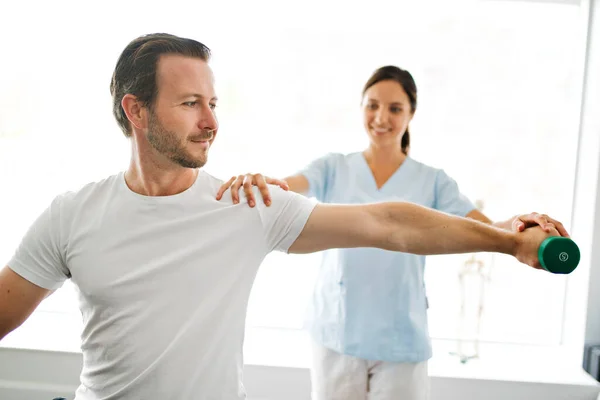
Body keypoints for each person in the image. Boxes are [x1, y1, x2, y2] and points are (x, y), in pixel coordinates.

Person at [0, 34, 564, 400]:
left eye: (213, 103)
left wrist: (504, 240)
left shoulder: (242, 209)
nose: (210, 121)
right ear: (136, 110)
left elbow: (390, 223)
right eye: (190, 104)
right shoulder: (71, 216)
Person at [216, 65, 569, 400]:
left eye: (394, 108)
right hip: (337, 333)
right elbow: (285, 189)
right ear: (361, 108)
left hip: (401, 340)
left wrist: (522, 223)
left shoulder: (433, 181)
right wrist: (258, 181)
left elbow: (486, 228)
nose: (381, 118)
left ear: (411, 114)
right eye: (372, 106)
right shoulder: (333, 167)